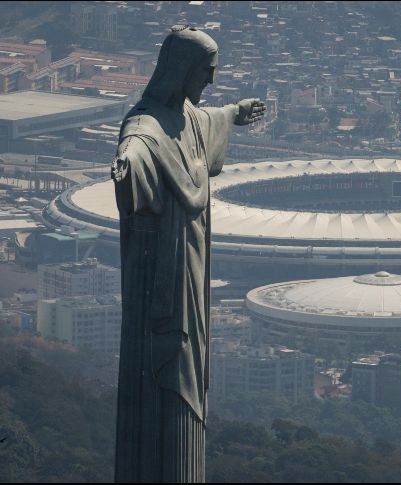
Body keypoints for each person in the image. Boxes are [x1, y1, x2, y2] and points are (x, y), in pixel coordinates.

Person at [111, 25, 264, 482]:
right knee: (168, 370)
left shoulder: (191, 118)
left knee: (190, 366)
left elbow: (209, 119)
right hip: (162, 277)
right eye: (205, 72)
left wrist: (235, 113)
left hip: (192, 270)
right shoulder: (146, 128)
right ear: (180, 71)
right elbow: (135, 147)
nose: (210, 83)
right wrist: (127, 165)